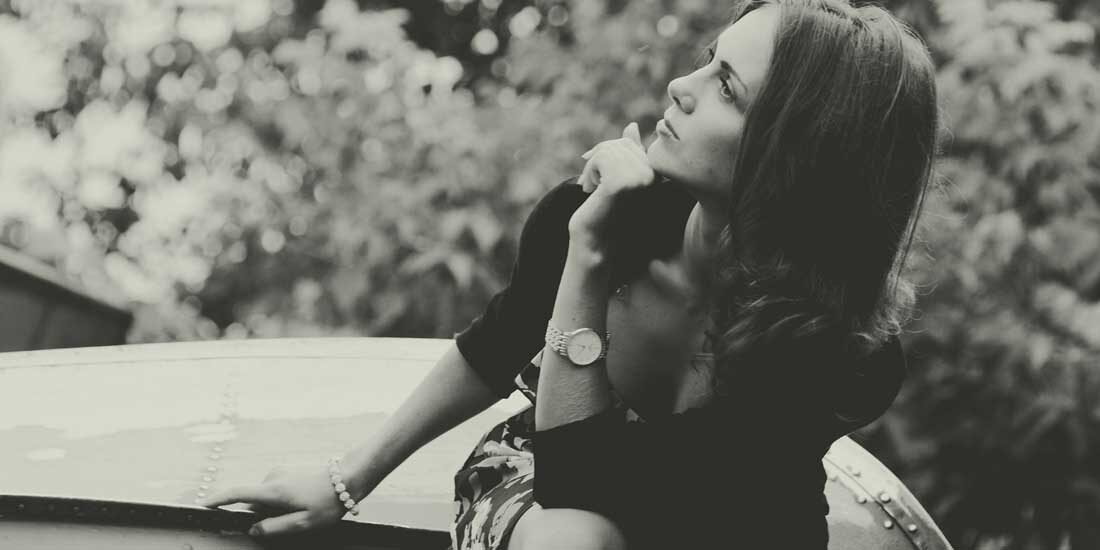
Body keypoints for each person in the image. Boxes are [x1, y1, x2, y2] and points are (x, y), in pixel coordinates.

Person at [197, 0, 940, 548]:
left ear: (799, 158)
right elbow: (524, 404)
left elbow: (698, 510)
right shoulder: (603, 219)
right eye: (708, 59)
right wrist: (345, 481)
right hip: (549, 482)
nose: (680, 85)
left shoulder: (843, 358)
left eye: (727, 88)